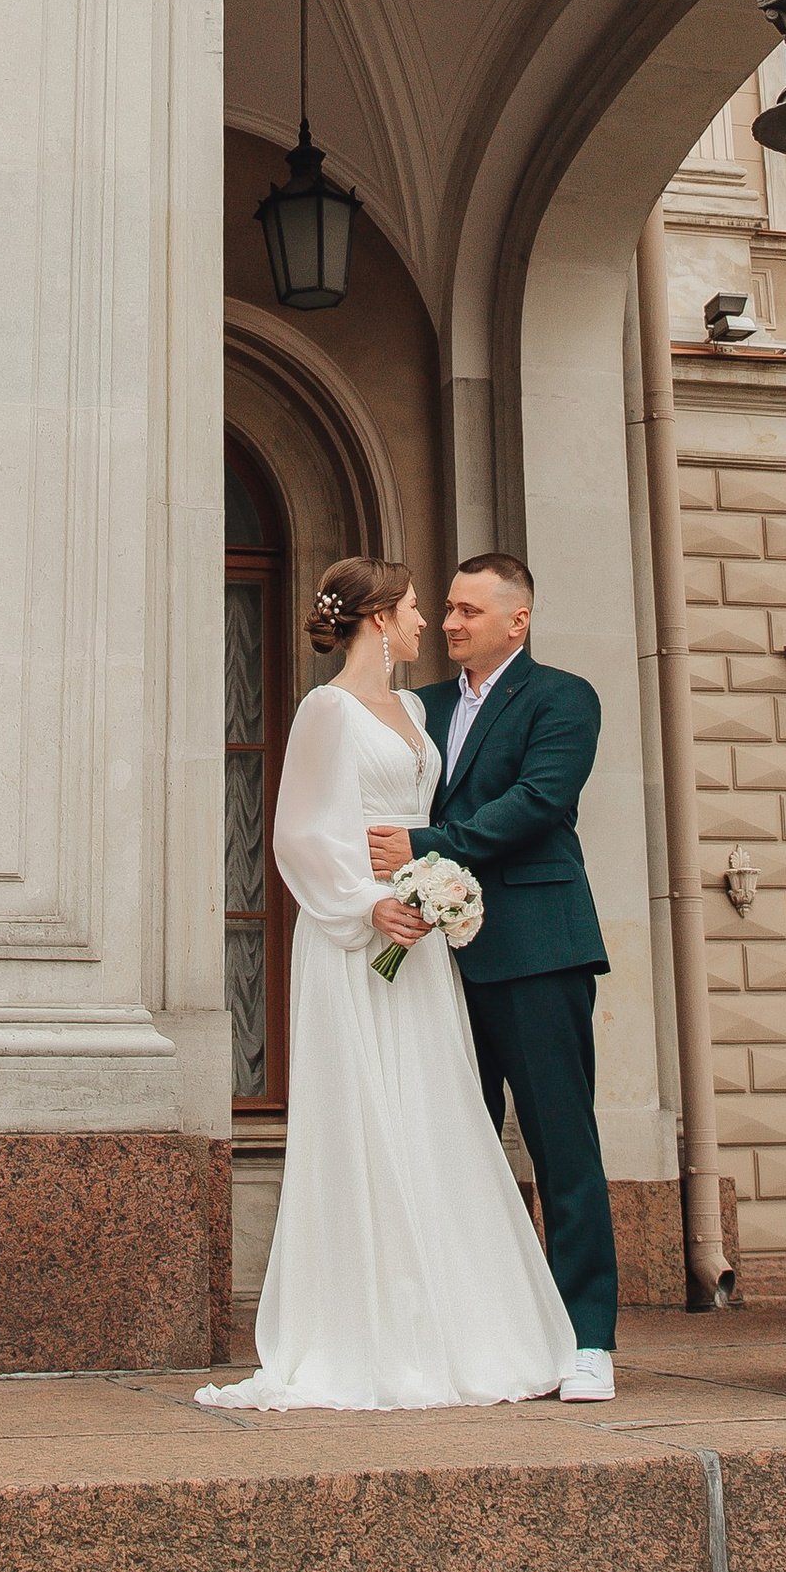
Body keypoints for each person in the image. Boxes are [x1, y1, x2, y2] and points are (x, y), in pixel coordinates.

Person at [195, 553, 577, 1414]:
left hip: (421, 939)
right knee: (369, 1115)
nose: (425, 622)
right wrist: (370, 906)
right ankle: (369, 1332)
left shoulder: (412, 708)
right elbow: (300, 835)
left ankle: (461, 1328)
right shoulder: (324, 712)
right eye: (412, 608)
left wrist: (427, 892)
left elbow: (428, 816)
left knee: (436, 1112)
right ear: (377, 619)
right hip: (356, 941)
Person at [368, 554, 621, 1402]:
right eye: (445, 608)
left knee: (561, 1143)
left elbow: (537, 801)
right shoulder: (421, 707)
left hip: (540, 947)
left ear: (518, 620)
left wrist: (426, 847)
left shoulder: (563, 697)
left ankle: (587, 1338)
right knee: (455, 1140)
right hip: (439, 954)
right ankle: (473, 1328)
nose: (450, 622)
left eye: (469, 610)